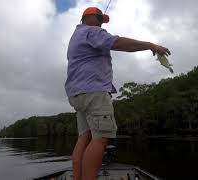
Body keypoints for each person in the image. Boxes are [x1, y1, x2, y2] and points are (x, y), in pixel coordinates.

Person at [65, 7, 171, 180]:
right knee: (101, 138)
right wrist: (151, 45)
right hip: (94, 93)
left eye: (102, 21)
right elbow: (118, 43)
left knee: (84, 138)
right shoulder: (91, 32)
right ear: (88, 17)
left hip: (77, 94)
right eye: (99, 18)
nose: (100, 23)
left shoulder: (76, 36)